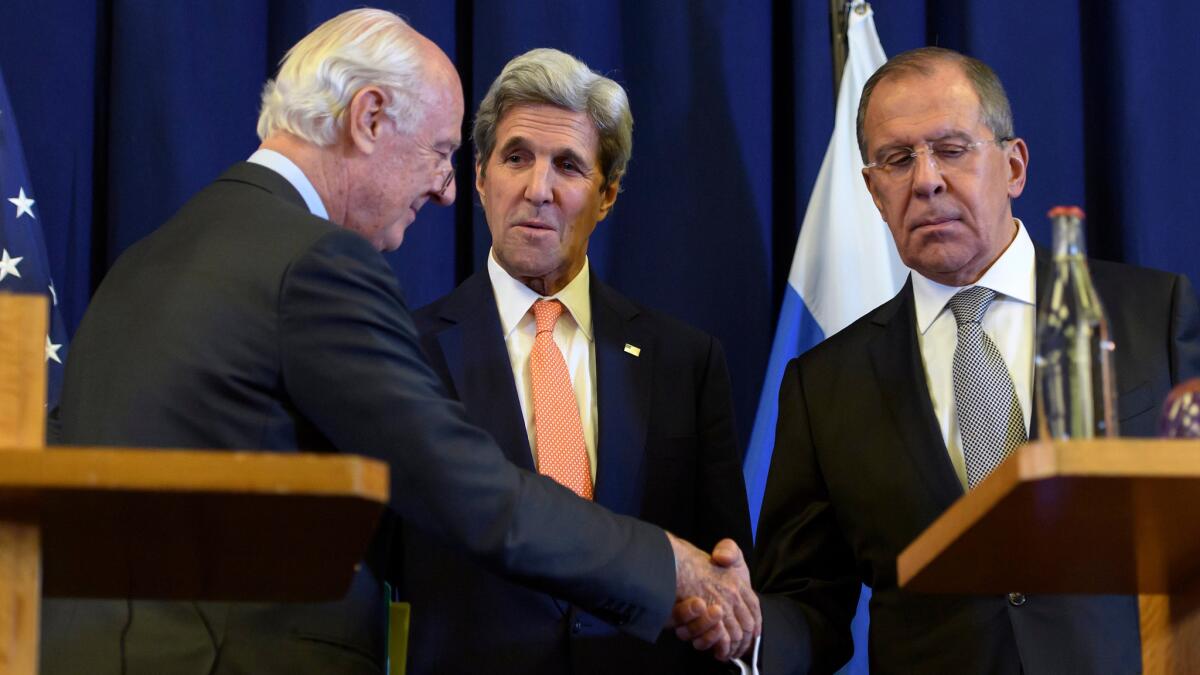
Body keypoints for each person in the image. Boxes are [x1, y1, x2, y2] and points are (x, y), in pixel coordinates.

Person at [43, 9, 757, 674]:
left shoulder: (143, 262)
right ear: (371, 118)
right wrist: (667, 563)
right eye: (442, 152)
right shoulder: (315, 262)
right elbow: (462, 487)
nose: (445, 189)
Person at [751, 46, 1200, 674]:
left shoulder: (1154, 313)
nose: (926, 179)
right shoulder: (823, 384)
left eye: (952, 149)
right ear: (874, 192)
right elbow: (808, 608)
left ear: (1014, 167)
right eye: (898, 159)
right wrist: (742, 630)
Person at [402, 48, 754, 674]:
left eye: (567, 165)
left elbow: (722, 571)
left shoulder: (684, 361)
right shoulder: (406, 351)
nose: (538, 190)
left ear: (608, 195)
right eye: (516, 158)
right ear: (480, 176)